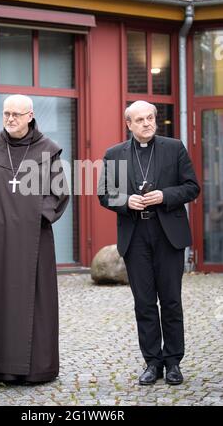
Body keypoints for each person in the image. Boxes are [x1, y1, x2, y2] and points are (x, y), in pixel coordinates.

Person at [0, 94, 69, 390]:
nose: (10, 119)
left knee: (33, 300)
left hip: (33, 240)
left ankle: (32, 370)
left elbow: (58, 193)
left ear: (30, 115)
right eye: (6, 113)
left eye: (16, 114)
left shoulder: (48, 151)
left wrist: (33, 217)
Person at [98, 100, 200, 385]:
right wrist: (125, 201)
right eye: (140, 120)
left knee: (170, 300)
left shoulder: (174, 147)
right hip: (136, 236)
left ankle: (173, 362)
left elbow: (192, 187)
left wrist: (165, 196)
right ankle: (152, 363)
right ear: (128, 124)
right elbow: (105, 194)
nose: (147, 124)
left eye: (151, 118)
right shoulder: (115, 154)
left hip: (168, 234)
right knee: (144, 303)